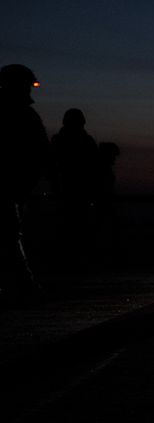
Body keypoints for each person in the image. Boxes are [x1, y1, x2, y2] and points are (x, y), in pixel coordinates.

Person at [0, 64, 49, 303]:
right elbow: (40, 154)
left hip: (13, 189)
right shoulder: (24, 116)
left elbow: (39, 154)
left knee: (9, 236)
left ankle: (23, 286)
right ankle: (24, 287)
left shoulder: (24, 116)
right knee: (9, 237)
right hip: (12, 189)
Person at [50, 108, 100, 261]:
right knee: (76, 223)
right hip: (75, 188)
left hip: (72, 188)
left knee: (72, 223)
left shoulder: (59, 140)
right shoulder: (84, 141)